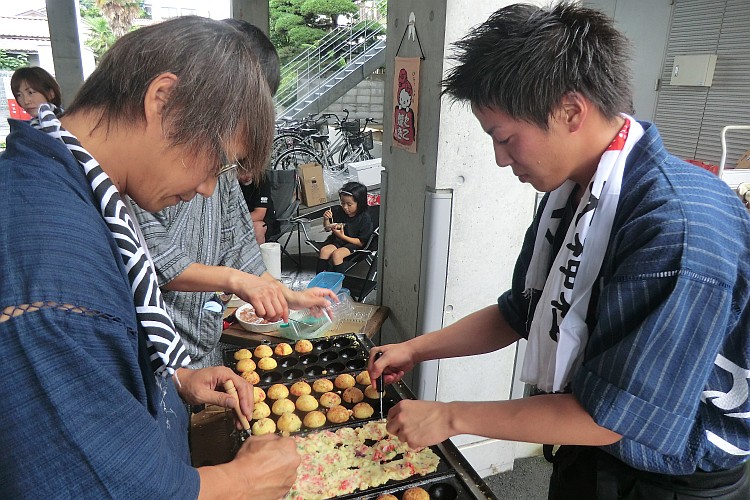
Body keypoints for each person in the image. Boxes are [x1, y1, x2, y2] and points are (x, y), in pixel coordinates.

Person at [368, 3, 750, 499]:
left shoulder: (676, 228)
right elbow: (520, 312)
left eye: (504, 138)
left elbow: (613, 416)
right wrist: (416, 349)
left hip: (667, 478)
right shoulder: (574, 193)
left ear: (571, 110)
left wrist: (449, 416)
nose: (500, 159)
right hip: (585, 443)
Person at [0, 16, 300, 498]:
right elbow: (84, 481)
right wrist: (240, 481)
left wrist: (175, 379)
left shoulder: (71, 189)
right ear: (163, 100)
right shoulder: (46, 266)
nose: (207, 189)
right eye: (217, 160)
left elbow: (90, 371)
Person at [130, 19, 337, 369]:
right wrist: (234, 280)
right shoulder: (145, 173)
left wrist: (289, 295)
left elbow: (239, 246)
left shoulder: (220, 166)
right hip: (157, 357)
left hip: (203, 352)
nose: (207, 185)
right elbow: (154, 261)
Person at [316, 181, 374, 274]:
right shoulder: (339, 211)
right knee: (324, 251)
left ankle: (339, 283)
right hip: (339, 241)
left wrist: (342, 236)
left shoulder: (364, 218)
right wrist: (326, 219)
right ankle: (319, 280)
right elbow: (327, 228)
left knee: (337, 254)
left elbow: (360, 243)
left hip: (354, 244)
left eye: (349, 204)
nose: (345, 207)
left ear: (359, 203)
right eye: (343, 203)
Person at [239, 173, 279, 245]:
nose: (247, 173)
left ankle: (258, 255)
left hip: (263, 220)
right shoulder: (231, 181)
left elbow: (259, 215)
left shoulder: (261, 179)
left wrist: (237, 222)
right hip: (238, 218)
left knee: (257, 228)